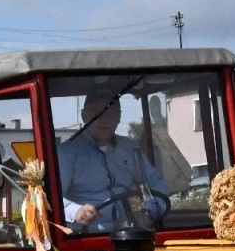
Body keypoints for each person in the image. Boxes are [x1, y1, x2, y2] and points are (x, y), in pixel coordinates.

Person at [57, 88, 172, 235]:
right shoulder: (67, 152)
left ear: (119, 117)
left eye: (111, 112)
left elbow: (156, 183)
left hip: (128, 235)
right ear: (84, 115)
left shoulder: (129, 149)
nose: (104, 119)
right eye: (96, 113)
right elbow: (51, 199)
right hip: (85, 241)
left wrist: (148, 211)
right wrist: (75, 211)